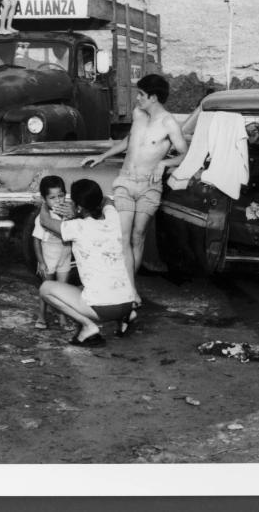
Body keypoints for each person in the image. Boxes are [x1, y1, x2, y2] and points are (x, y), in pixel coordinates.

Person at [80, 74, 188, 308]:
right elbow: (128, 142)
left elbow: (185, 154)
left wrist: (164, 164)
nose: (137, 98)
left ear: (153, 97)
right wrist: (101, 157)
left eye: (141, 94)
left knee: (138, 237)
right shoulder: (138, 114)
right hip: (126, 181)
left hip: (149, 187)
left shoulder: (169, 123)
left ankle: (129, 289)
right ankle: (129, 291)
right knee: (122, 236)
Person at [38, 179, 136, 347]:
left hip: (103, 310)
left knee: (45, 288)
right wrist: (82, 206)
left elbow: (45, 220)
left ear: (78, 206)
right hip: (128, 302)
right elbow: (107, 200)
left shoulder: (76, 227)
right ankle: (126, 317)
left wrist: (44, 203)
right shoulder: (113, 219)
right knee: (83, 287)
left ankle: (88, 326)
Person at [32, 175, 73, 330]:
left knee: (63, 289)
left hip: (65, 258)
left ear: (65, 195)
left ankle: (62, 318)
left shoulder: (69, 215)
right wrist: (41, 262)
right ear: (44, 199)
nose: (58, 201)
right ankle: (41, 316)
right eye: (52, 198)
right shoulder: (43, 218)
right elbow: (36, 240)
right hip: (48, 260)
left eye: (60, 196)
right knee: (46, 289)